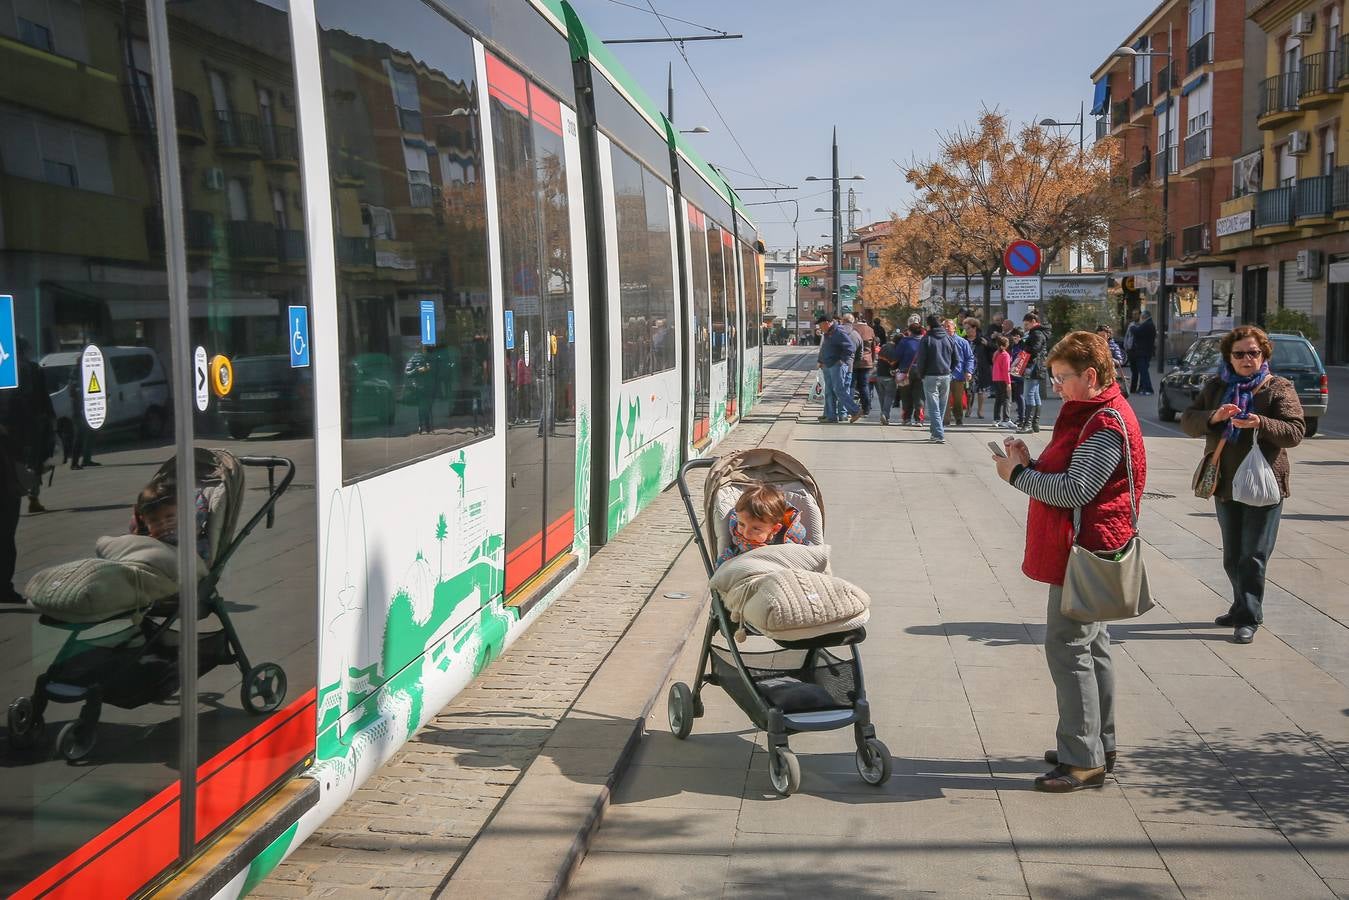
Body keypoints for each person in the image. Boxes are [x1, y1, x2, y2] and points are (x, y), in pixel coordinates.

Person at [992, 330, 1147, 792]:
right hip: (1089, 542)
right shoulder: (1092, 414)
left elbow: (1076, 491)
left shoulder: (1104, 422)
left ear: (1092, 376)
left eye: (1063, 378)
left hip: (1085, 550)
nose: (1056, 386)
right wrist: (1033, 463)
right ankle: (1098, 743)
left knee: (1069, 649)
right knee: (1092, 647)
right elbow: (1072, 478)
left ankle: (1082, 760)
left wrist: (1018, 475)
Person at [1179, 325, 1304, 645]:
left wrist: (1260, 422)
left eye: (1254, 352)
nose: (1247, 359)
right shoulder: (1217, 385)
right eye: (1240, 354)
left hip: (1265, 484)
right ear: (1229, 357)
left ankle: (1248, 616)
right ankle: (1241, 606)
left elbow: (1295, 432)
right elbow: (1188, 421)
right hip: (1225, 483)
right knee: (1232, 555)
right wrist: (1215, 416)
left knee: (1253, 555)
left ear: (1263, 355)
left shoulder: (1277, 387)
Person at [716, 482, 809, 568]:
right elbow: (721, 573)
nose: (746, 533)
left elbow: (810, 558)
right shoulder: (737, 547)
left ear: (774, 529)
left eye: (756, 528)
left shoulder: (789, 545)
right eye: (741, 524)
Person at [15, 339, 54, 513]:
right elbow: (44, 395)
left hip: (11, 423)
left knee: (15, 459)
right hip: (34, 421)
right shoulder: (33, 368)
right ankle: (33, 497)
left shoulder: (6, 371)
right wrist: (51, 416)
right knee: (36, 459)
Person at [914, 314, 960, 444]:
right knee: (941, 405)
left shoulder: (926, 339)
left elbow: (921, 359)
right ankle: (935, 432)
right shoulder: (949, 339)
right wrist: (949, 369)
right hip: (946, 375)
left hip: (930, 375)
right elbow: (956, 359)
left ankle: (939, 434)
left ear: (928, 325)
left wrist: (921, 374)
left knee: (934, 407)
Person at [816, 315, 863, 424]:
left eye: (821, 325)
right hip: (828, 365)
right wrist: (821, 361)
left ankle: (855, 411)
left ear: (827, 323)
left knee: (839, 389)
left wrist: (842, 360)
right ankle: (831, 416)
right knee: (829, 391)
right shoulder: (828, 333)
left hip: (837, 365)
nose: (820, 327)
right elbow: (825, 348)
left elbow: (850, 347)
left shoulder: (838, 331)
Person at [1018, 312, 1051, 433]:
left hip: (1032, 367)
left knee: (1029, 395)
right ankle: (1034, 424)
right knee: (1035, 395)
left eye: (1026, 324)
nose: (1025, 327)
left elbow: (1035, 349)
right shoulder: (1040, 332)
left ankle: (1028, 425)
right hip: (1037, 367)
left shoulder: (1036, 333)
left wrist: (1023, 344)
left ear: (1033, 321)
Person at [894, 322, 924, 425]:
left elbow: (897, 356)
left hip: (905, 371)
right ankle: (919, 419)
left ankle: (906, 418)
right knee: (919, 395)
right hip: (921, 371)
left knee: (906, 396)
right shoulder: (925, 341)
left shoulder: (904, 341)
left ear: (910, 331)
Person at [848, 312, 877, 417]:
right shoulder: (870, 330)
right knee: (864, 386)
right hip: (866, 362)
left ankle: (850, 408)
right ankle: (866, 409)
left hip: (853, 361)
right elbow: (873, 347)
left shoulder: (852, 329)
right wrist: (872, 360)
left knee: (851, 385)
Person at [873, 332, 903, 425]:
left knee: (882, 397)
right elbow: (894, 364)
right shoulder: (895, 350)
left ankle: (883, 414)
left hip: (879, 375)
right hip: (889, 377)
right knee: (889, 397)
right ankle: (885, 415)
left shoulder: (884, 347)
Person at [966, 317, 992, 420]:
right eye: (966, 328)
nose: (967, 330)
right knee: (969, 391)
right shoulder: (964, 340)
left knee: (981, 391)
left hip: (981, 368)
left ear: (974, 328)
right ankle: (968, 408)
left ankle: (980, 410)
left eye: (968, 328)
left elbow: (993, 348)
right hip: (969, 369)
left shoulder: (982, 339)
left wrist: (988, 344)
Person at [1127, 311, 1156, 395]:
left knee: (1143, 371)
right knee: (1143, 371)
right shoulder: (1149, 324)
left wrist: (1132, 327)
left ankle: (1148, 389)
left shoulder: (1147, 324)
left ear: (1144, 317)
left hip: (1143, 352)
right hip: (1145, 351)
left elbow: (1137, 332)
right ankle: (1143, 388)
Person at [1096, 325, 1129, 399]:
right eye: (1099, 336)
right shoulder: (1094, 346)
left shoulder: (1114, 347)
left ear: (1108, 335)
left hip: (1110, 377)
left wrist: (1109, 359)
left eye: (1103, 335)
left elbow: (1120, 361)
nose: (1101, 338)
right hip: (1097, 377)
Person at [991, 334, 1013, 428]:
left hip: (996, 378)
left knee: (998, 400)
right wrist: (1008, 383)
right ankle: (1006, 419)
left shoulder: (996, 353)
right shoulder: (1005, 355)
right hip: (1003, 379)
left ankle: (996, 419)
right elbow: (1006, 370)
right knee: (1007, 399)